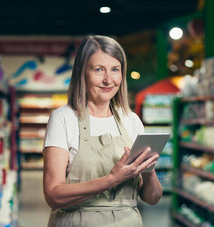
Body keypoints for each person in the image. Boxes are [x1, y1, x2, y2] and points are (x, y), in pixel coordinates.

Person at [43, 35, 162, 227]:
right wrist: (111, 180)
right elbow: (53, 195)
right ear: (82, 73)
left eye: (115, 70)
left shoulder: (131, 121)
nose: (108, 80)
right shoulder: (64, 118)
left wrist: (147, 170)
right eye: (99, 70)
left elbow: (153, 197)